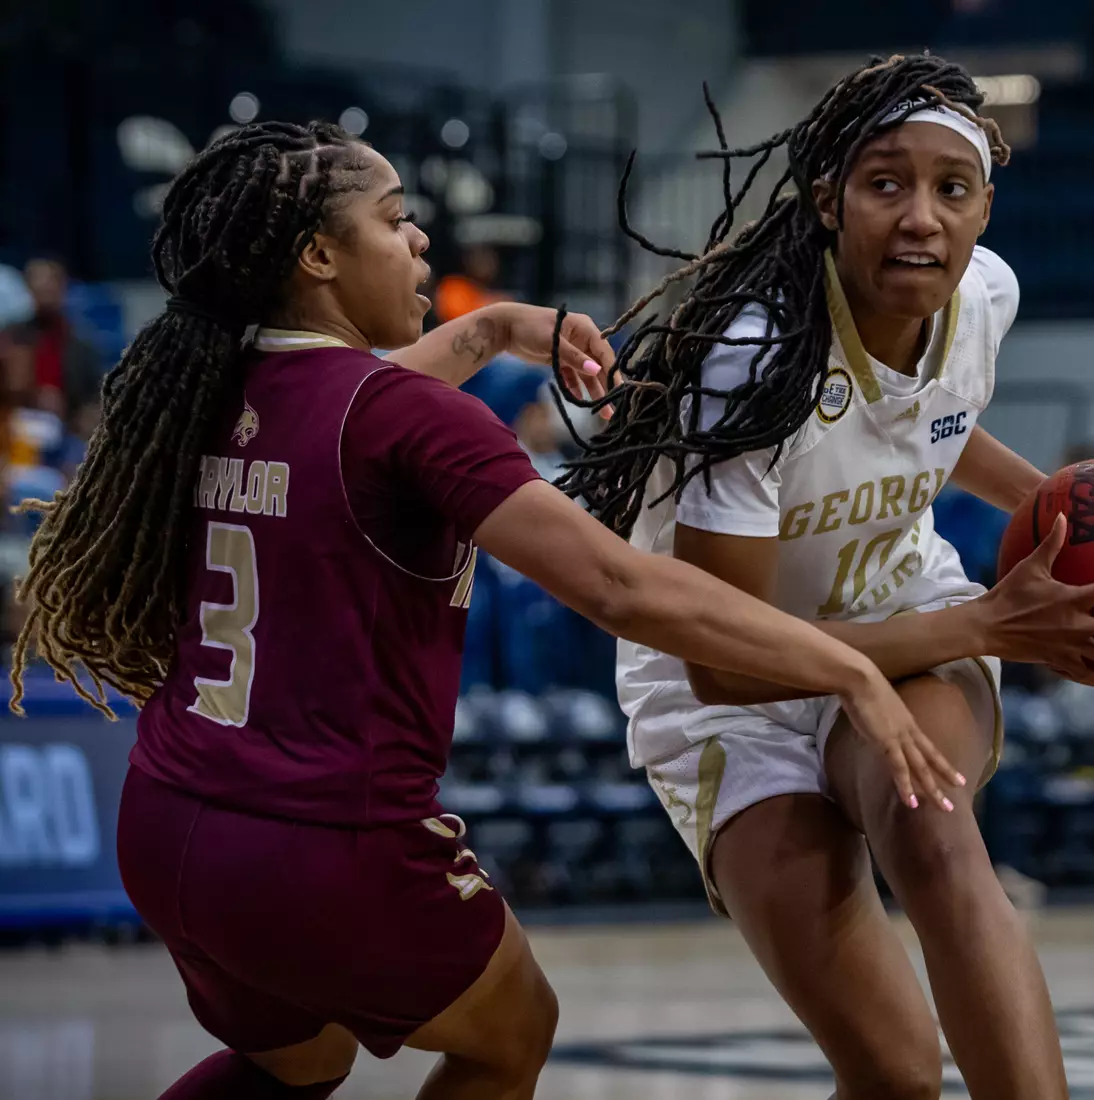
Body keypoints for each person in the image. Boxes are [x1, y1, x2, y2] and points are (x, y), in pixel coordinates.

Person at [7, 121, 960, 1100]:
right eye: (395, 219)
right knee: (513, 1028)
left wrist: (496, 327)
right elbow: (619, 587)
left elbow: (364, 413)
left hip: (168, 825)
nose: (420, 240)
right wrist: (845, 664)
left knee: (300, 1057)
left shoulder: (223, 390)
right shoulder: (400, 417)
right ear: (319, 255)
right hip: (320, 841)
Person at [561, 56, 1094, 1099]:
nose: (921, 216)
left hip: (900, 606)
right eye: (886, 182)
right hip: (726, 682)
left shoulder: (986, 295)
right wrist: (987, 623)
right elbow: (730, 660)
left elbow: (929, 417)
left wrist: (1057, 513)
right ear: (827, 197)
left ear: (986, 206)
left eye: (952, 187)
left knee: (931, 829)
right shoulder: (753, 357)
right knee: (893, 1073)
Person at [0, 257, 104, 436]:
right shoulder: (12, 337)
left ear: (62, 288)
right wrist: (35, 394)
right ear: (29, 290)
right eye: (39, 286)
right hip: (16, 427)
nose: (44, 291)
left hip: (68, 429)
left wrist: (81, 418)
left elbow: (95, 396)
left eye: (50, 285)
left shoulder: (82, 342)